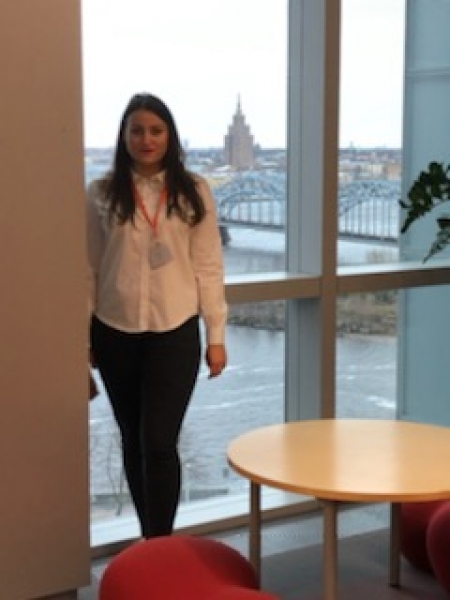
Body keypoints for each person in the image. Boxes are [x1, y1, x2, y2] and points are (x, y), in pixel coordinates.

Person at [87, 93, 228, 538]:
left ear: (169, 136)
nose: (146, 139)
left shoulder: (194, 190)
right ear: (123, 136)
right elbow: (88, 268)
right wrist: (82, 338)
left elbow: (209, 266)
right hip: (114, 331)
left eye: (155, 130)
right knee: (132, 439)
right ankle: (150, 540)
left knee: (159, 442)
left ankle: (161, 544)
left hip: (175, 331)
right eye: (136, 130)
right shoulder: (102, 192)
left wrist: (217, 335)